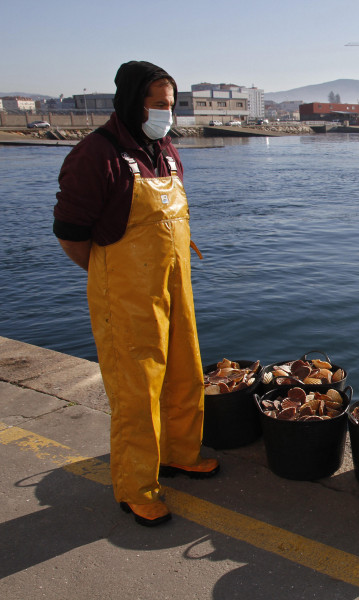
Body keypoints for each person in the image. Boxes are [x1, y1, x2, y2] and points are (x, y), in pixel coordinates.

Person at [53, 61, 218, 527]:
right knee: (136, 390)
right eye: (158, 105)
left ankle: (180, 453)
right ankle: (135, 485)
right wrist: (107, 275)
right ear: (131, 102)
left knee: (185, 369)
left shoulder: (164, 150)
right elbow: (70, 231)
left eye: (171, 105)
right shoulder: (96, 155)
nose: (167, 113)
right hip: (125, 293)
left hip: (174, 285)